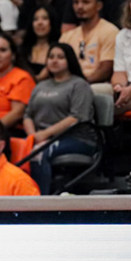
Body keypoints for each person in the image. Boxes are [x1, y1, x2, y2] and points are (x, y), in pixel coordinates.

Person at [23, 44, 96, 194]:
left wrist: (45, 135)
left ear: (69, 60)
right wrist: (33, 136)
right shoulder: (40, 86)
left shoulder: (79, 85)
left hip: (77, 138)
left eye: (60, 57)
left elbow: (77, 117)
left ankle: (40, 202)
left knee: (39, 153)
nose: (54, 61)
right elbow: (27, 115)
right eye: (51, 57)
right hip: (41, 139)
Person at [60, 0, 119, 86]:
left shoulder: (110, 31)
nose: (79, 6)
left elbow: (106, 69)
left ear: (99, 5)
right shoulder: (67, 35)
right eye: (76, 2)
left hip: (96, 84)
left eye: (85, 2)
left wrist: (80, 84)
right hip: (68, 84)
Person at [19, 4, 61, 77]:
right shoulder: (22, 49)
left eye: (45, 18)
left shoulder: (59, 48)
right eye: (35, 19)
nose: (40, 23)